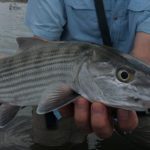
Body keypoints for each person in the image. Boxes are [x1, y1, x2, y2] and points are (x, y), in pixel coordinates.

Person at [25, 0, 150, 149]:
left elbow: (143, 55)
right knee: (52, 144)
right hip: (58, 91)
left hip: (132, 96)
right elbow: (39, 48)